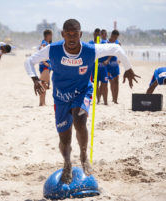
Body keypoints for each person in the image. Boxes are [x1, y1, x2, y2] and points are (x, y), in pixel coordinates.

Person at [24, 19, 139, 184]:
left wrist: (128, 68)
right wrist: (35, 79)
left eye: (75, 35)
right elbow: (29, 61)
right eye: (68, 35)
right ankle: (67, 163)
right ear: (63, 34)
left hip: (82, 92)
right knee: (65, 138)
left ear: (80, 35)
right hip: (61, 96)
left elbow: (116, 48)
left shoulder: (91, 50)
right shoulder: (53, 49)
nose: (71, 39)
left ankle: (84, 155)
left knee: (79, 120)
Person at [38, 29, 53, 106]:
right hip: (45, 66)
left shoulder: (46, 43)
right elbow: (41, 50)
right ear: (48, 35)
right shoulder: (44, 43)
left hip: (45, 66)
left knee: (45, 85)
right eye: (51, 35)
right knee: (43, 84)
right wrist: (45, 62)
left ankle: (43, 102)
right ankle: (41, 102)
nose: (52, 37)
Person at [96, 29, 109, 105]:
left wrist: (108, 60)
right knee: (96, 85)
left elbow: (112, 52)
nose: (104, 35)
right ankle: (98, 100)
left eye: (105, 34)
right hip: (97, 66)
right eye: (103, 34)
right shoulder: (98, 42)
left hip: (104, 67)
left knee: (105, 84)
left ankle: (105, 101)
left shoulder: (108, 42)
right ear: (100, 34)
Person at [108, 30, 121, 104]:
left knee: (116, 82)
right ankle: (113, 97)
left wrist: (119, 60)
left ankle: (115, 99)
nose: (115, 38)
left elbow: (120, 53)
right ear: (112, 35)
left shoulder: (118, 43)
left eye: (117, 37)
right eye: (115, 37)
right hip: (108, 65)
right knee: (111, 82)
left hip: (115, 64)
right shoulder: (107, 42)